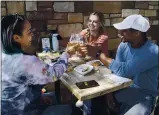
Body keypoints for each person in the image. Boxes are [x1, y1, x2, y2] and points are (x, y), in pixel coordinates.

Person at [1, 14, 78, 115]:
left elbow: (18, 86)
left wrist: (38, 97)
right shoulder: (26, 62)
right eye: (29, 32)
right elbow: (54, 74)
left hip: (9, 109)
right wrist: (67, 54)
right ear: (16, 38)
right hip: (25, 111)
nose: (32, 35)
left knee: (52, 97)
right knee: (72, 108)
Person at [95, 14, 158, 115]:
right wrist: (109, 93)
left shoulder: (152, 51)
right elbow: (117, 72)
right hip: (125, 91)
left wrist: (100, 55)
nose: (119, 33)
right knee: (95, 101)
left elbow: (125, 70)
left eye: (124, 30)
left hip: (144, 97)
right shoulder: (123, 46)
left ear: (137, 33)